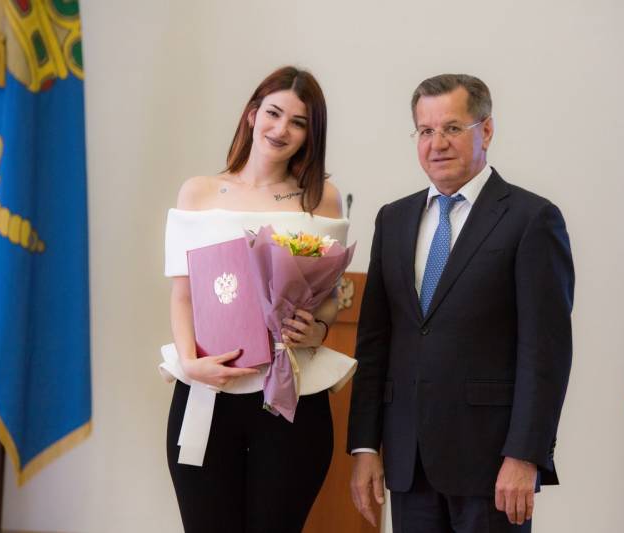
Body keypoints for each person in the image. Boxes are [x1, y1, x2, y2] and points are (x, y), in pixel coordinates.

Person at [347, 74, 574, 533]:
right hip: (409, 463)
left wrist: (525, 454)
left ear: (485, 130)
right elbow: (374, 342)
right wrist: (365, 446)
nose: (437, 144)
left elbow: (545, 352)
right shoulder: (393, 219)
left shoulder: (532, 219)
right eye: (425, 131)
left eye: (452, 128)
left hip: (491, 466)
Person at [162, 66, 354, 533]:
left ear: (310, 134)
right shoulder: (199, 192)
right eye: (273, 113)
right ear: (252, 115)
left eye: (298, 122)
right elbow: (182, 295)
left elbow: (329, 298)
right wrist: (190, 363)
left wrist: (318, 329)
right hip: (209, 388)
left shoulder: (321, 199)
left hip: (291, 393)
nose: (280, 129)